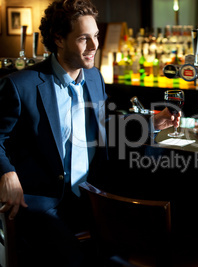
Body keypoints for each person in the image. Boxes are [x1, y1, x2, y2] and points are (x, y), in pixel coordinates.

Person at [0, 0, 180, 266]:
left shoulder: (93, 76)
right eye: (85, 38)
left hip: (90, 196)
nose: (95, 45)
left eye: (96, 36)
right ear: (59, 39)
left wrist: (149, 123)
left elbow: (103, 124)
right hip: (43, 201)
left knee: (126, 257)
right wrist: (6, 172)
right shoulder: (20, 85)